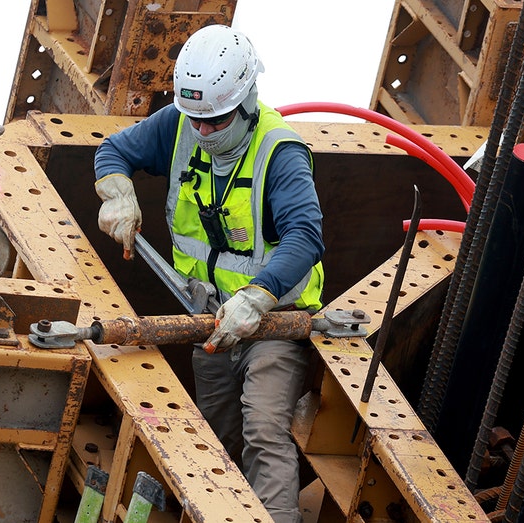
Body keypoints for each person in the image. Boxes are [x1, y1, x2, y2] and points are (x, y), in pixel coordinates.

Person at [93, 24, 324, 522]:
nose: (202, 132)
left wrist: (258, 297)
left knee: (263, 429)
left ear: (247, 101)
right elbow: (113, 151)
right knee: (214, 444)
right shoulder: (180, 123)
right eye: (195, 119)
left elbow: (305, 237)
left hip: (274, 323)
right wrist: (117, 192)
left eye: (216, 122)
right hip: (207, 320)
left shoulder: (279, 153)